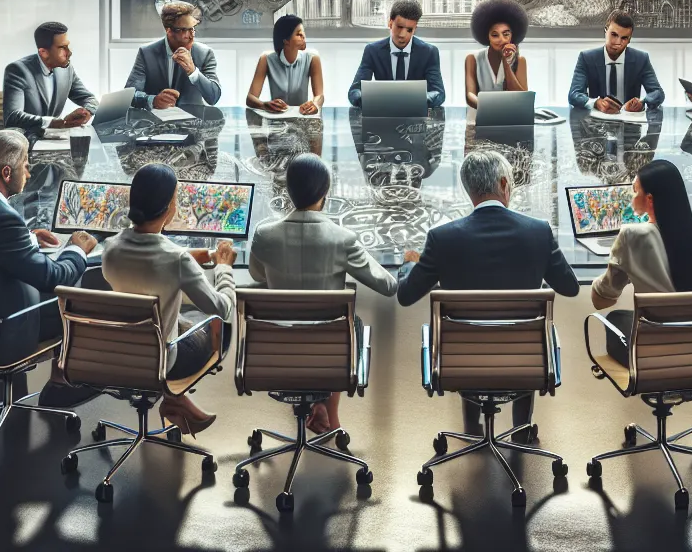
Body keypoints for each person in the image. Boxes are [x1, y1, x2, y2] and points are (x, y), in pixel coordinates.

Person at [397, 149, 580, 434]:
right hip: (524, 361)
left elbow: (406, 295)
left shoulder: (442, 238)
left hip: (462, 363)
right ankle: (522, 427)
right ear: (505, 184)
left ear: (469, 190)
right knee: (523, 330)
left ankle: (472, 427)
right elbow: (569, 287)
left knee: (470, 332)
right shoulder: (538, 232)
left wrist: (409, 264)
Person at [0, 131, 98, 403]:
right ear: (7, 172)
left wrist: (30, 237)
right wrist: (77, 248)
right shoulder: (2, 219)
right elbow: (53, 278)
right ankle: (61, 383)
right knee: (80, 292)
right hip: (4, 329)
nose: (30, 172)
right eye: (25, 164)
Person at [248, 153, 398, 433]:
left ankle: (314, 404)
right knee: (350, 324)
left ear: (289, 190)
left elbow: (258, 276)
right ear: (325, 192)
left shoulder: (264, 235)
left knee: (311, 327)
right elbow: (388, 286)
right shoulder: (342, 238)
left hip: (277, 353)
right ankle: (329, 412)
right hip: (329, 355)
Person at [99, 164, 237, 435]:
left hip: (119, 351)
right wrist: (223, 268)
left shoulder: (110, 249)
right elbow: (222, 308)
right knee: (203, 321)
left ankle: (176, 401)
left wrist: (186, 257)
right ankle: (174, 397)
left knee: (174, 318)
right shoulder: (176, 260)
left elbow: (145, 258)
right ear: (170, 206)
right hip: (164, 360)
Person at [589, 159, 692, 365]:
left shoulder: (631, 235)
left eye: (635, 191)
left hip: (651, 350)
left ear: (650, 199)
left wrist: (622, 265)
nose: (632, 198)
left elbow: (602, 300)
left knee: (615, 317)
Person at [2, 21, 97, 138]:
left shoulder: (66, 70)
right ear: (44, 52)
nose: (69, 53)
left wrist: (87, 111)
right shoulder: (17, 70)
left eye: (68, 46)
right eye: (62, 48)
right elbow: (13, 117)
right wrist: (57, 122)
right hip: (26, 143)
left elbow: (89, 98)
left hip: (55, 140)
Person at [348, 0, 446, 108]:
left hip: (416, 118)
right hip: (382, 114)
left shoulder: (429, 52)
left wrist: (414, 101)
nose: (403, 34)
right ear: (390, 23)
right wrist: (370, 100)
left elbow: (439, 93)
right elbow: (354, 91)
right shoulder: (372, 50)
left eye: (409, 29)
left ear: (415, 29)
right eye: (399, 27)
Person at [128, 1, 223, 109]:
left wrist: (193, 72)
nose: (191, 35)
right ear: (169, 31)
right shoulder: (147, 53)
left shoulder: (204, 54)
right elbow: (130, 95)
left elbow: (214, 97)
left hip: (192, 123)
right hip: (155, 123)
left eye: (192, 28)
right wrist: (152, 100)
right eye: (184, 30)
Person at [568, 10, 664, 114]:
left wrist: (642, 103)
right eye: (614, 35)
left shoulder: (641, 59)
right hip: (596, 125)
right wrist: (596, 102)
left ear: (629, 39)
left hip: (629, 125)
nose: (618, 43)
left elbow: (658, 93)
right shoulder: (586, 58)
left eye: (624, 38)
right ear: (605, 30)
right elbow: (574, 94)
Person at [246, 13, 324, 115]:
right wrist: (264, 105)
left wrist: (315, 104)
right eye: (298, 34)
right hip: (276, 120)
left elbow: (320, 96)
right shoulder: (266, 59)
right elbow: (250, 98)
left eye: (303, 33)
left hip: (302, 118)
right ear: (286, 40)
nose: (303, 37)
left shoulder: (312, 58)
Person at [464, 0, 530, 108]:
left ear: (512, 36)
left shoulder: (520, 61)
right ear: (487, 36)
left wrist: (506, 63)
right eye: (495, 35)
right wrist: (488, 107)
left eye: (506, 34)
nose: (502, 40)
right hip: (479, 117)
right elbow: (470, 95)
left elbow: (521, 98)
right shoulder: (472, 59)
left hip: (510, 119)